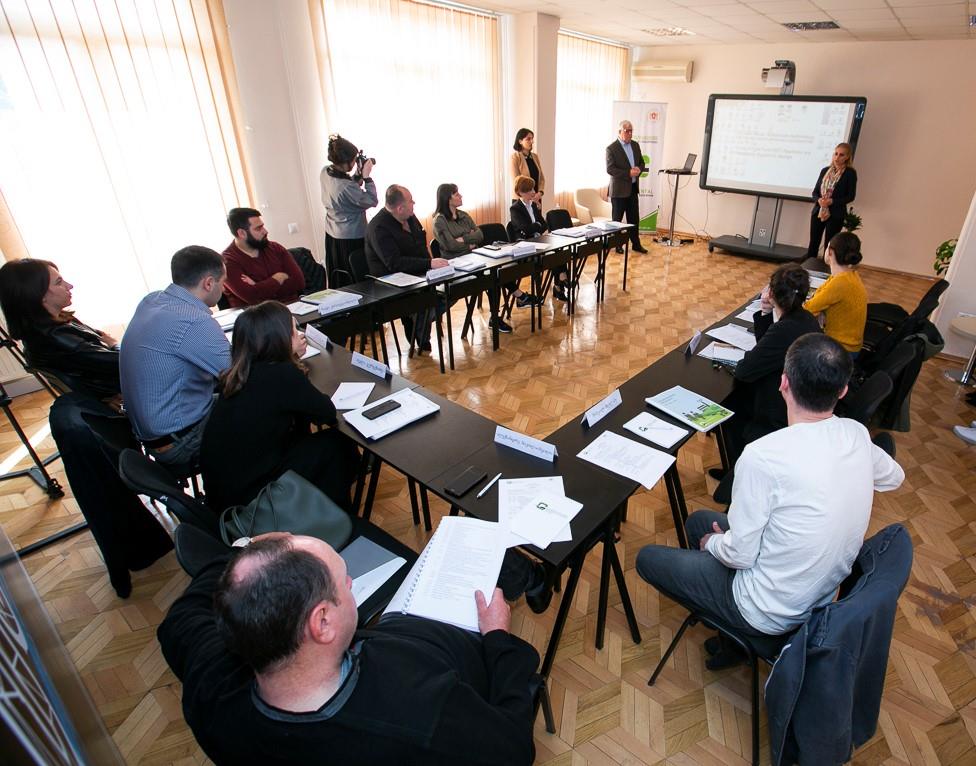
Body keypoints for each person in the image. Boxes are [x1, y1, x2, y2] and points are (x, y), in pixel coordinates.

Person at [636, 333, 904, 669]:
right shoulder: (856, 434)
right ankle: (730, 638)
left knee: (649, 558)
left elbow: (740, 555)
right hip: (816, 595)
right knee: (697, 522)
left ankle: (737, 627)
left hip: (764, 609)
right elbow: (894, 477)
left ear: (783, 383)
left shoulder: (763, 456)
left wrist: (712, 544)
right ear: (842, 391)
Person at [158, 532, 540, 765]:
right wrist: (497, 638)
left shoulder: (210, 682)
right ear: (322, 622)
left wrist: (248, 550)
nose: (352, 582)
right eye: (345, 579)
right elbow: (513, 750)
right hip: (456, 658)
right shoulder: (418, 714)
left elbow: (178, 621)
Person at [200, 301, 359, 513]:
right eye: (293, 330)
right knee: (337, 445)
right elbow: (327, 413)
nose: (299, 335)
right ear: (279, 339)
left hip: (224, 495)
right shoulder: (281, 374)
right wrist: (293, 361)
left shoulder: (238, 374)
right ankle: (335, 518)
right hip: (251, 501)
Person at [710, 264, 822, 502]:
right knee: (736, 401)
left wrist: (765, 315)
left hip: (779, 410)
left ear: (771, 293)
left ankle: (741, 481)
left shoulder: (785, 329)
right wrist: (765, 313)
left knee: (733, 406)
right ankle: (734, 471)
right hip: (800, 398)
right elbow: (767, 347)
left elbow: (745, 369)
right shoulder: (804, 319)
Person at [120, 246, 230, 470]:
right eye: (223, 281)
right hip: (181, 443)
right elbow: (240, 374)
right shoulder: (194, 320)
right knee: (265, 403)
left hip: (153, 434)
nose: (225, 287)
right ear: (209, 283)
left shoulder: (151, 301)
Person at [0, 258, 121, 401]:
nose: (70, 286)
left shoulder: (47, 326)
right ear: (37, 294)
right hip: (126, 388)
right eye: (58, 282)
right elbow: (124, 362)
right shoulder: (56, 336)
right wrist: (115, 344)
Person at [365, 185, 449, 351]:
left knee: (451, 289)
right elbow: (394, 263)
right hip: (391, 283)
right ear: (400, 208)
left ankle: (418, 320)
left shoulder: (409, 216)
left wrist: (431, 264)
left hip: (418, 273)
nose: (414, 203)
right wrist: (428, 264)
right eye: (411, 201)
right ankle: (418, 326)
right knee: (426, 301)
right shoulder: (378, 228)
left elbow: (420, 244)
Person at [320, 134, 378, 287]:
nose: (354, 162)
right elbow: (372, 200)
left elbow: (348, 189)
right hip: (351, 238)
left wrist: (357, 175)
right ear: (346, 163)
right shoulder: (345, 187)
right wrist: (367, 177)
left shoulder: (325, 172)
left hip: (332, 234)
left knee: (339, 276)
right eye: (353, 160)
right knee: (355, 280)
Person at [222, 207, 305, 308]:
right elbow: (252, 297)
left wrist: (258, 286)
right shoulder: (228, 261)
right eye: (258, 228)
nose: (265, 231)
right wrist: (278, 278)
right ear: (242, 233)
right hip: (258, 315)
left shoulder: (275, 248)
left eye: (263, 226)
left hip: (294, 308)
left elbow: (299, 283)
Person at [803, 231, 868, 354]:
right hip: (849, 345)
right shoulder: (850, 275)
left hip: (840, 350)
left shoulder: (840, 283)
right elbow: (821, 294)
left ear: (830, 252)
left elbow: (807, 309)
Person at [510, 175, 570, 303]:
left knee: (559, 251)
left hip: (539, 242)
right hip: (526, 246)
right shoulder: (515, 208)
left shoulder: (534, 205)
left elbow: (544, 225)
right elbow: (525, 229)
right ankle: (561, 283)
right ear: (521, 192)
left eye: (533, 189)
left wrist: (535, 226)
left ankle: (560, 282)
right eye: (530, 190)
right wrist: (536, 226)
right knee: (552, 257)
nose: (533, 192)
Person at [805, 143, 857, 261]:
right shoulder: (825, 171)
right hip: (818, 211)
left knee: (830, 244)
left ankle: (827, 268)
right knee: (813, 242)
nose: (837, 157)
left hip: (836, 214)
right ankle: (808, 266)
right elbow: (815, 192)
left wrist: (832, 201)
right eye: (836, 154)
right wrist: (819, 200)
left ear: (847, 157)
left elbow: (850, 196)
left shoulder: (850, 173)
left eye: (841, 155)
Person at [605, 120, 648, 254]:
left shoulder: (635, 145)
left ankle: (636, 244)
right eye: (627, 131)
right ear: (620, 132)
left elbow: (642, 162)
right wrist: (628, 173)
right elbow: (610, 169)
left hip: (633, 189)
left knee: (634, 219)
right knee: (617, 220)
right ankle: (617, 245)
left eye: (631, 131)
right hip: (619, 191)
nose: (629, 133)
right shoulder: (611, 148)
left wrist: (639, 169)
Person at [431, 183, 483, 258]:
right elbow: (451, 245)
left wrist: (463, 239)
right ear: (447, 199)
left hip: (473, 256)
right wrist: (470, 244)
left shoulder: (464, 215)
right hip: (454, 260)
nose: (461, 196)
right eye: (457, 195)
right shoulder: (439, 220)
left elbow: (480, 235)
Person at [509, 128, 545, 202]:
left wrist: (540, 193)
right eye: (528, 139)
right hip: (521, 200)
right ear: (520, 141)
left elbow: (541, 178)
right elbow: (516, 181)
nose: (532, 141)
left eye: (532, 139)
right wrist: (530, 195)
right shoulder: (515, 157)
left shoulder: (535, 157)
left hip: (536, 198)